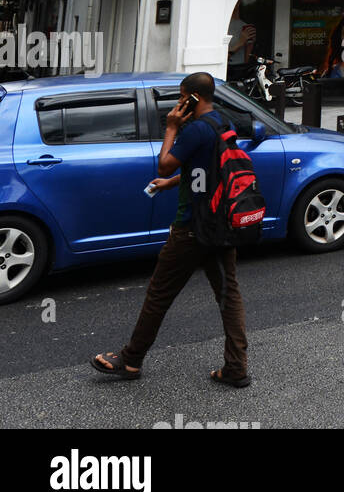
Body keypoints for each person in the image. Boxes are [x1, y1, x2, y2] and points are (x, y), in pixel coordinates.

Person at [91, 72, 250, 387]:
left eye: (182, 97)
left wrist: (172, 128)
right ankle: (236, 367)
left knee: (159, 295)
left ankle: (130, 360)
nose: (179, 103)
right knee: (228, 296)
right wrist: (172, 183)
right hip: (220, 224)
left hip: (191, 227)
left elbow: (164, 163)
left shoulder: (193, 130)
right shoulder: (223, 124)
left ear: (191, 97)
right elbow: (205, 169)